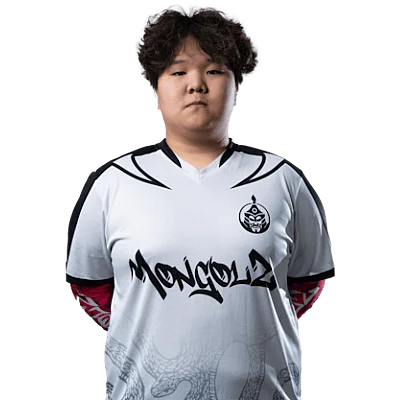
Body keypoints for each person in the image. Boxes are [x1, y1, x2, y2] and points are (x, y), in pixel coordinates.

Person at [64, 3, 335, 400]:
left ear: (237, 88)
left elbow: (307, 283)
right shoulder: (113, 183)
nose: (196, 84)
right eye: (178, 72)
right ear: (155, 90)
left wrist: (251, 322)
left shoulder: (282, 180)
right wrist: (146, 327)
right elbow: (90, 288)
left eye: (214, 70)